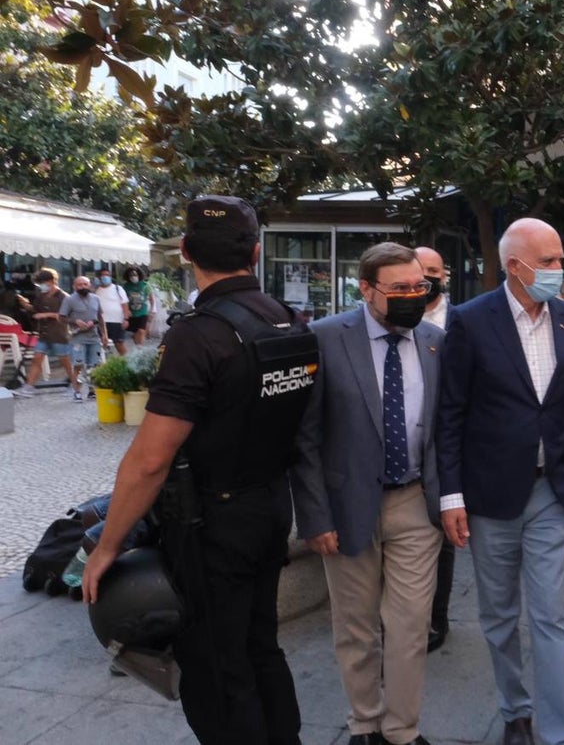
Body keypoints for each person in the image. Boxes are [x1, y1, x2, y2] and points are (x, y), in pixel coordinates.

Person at [82, 195, 317, 745]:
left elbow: (149, 459)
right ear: (256, 253)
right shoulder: (287, 320)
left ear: (186, 251)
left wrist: (108, 546)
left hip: (213, 523)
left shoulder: (197, 335)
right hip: (267, 508)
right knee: (261, 646)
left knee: (216, 665)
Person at [437, 217, 564, 745]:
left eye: (558, 259)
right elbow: (450, 412)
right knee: (499, 615)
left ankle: (556, 732)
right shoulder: (471, 320)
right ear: (513, 266)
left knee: (551, 616)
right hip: (489, 494)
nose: (557, 270)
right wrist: (451, 495)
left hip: (552, 491)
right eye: (547, 262)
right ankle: (514, 711)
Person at [292, 243, 442, 745]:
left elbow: (445, 429)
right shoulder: (324, 338)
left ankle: (402, 729)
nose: (412, 297)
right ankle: (365, 723)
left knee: (410, 625)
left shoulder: (435, 341)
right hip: (347, 504)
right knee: (355, 627)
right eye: (400, 289)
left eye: (419, 287)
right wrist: (314, 517)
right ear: (365, 289)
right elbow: (305, 437)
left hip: (415, 502)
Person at [414, 245, 454, 654]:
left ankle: (437, 618)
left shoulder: (461, 323)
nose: (427, 278)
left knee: (441, 538)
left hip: (442, 446)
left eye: (434, 270)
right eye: (420, 270)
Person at [13, 268, 74, 397]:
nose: (41, 286)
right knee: (37, 359)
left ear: (51, 281)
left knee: (65, 362)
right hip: (44, 334)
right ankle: (28, 387)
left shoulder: (63, 297)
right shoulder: (41, 296)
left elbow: (66, 316)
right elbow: (35, 311)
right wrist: (25, 304)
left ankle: (74, 384)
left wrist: (47, 314)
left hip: (59, 334)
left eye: (42, 283)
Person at [58, 276, 105, 402]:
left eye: (85, 284)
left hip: (94, 337)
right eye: (80, 284)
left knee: (93, 365)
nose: (83, 287)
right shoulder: (69, 300)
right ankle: (77, 392)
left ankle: (92, 390)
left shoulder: (96, 299)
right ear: (75, 286)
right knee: (78, 365)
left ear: (89, 285)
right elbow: (61, 317)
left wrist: (105, 335)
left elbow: (100, 317)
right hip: (77, 337)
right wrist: (75, 321)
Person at [94, 268, 130, 356]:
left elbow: (125, 304)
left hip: (117, 321)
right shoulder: (96, 290)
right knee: (102, 343)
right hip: (102, 322)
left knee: (119, 343)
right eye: (103, 275)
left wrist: (126, 319)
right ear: (99, 277)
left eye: (108, 275)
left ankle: (126, 363)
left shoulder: (118, 289)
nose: (106, 277)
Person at [123, 266, 154, 345]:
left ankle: (140, 348)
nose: (133, 277)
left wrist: (151, 311)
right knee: (136, 332)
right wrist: (126, 311)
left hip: (143, 312)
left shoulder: (145, 285)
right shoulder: (126, 286)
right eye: (131, 275)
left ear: (139, 275)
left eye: (135, 275)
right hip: (132, 313)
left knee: (141, 330)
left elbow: (151, 299)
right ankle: (138, 346)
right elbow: (123, 300)